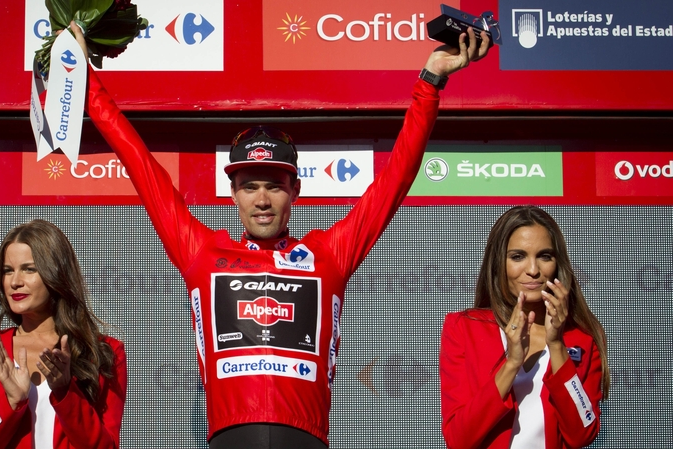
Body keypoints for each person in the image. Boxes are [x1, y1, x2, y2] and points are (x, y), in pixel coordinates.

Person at [74, 22, 490, 448]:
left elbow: (396, 177)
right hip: (229, 437)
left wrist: (431, 81)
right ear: (233, 193)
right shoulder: (202, 251)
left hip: (305, 438)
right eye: (250, 186)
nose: (262, 199)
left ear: (295, 190)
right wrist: (83, 80)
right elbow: (139, 162)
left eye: (274, 185)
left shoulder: (329, 253)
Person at [439, 206, 611, 449]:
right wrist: (511, 364)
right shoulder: (464, 328)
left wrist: (557, 345)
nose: (533, 270)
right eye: (518, 256)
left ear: (557, 263)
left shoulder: (583, 338)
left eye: (545, 256)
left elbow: (582, 434)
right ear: (498, 263)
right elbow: (459, 439)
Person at [0, 219, 127, 449]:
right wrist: (11, 404)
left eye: (29, 269)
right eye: (8, 271)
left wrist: (66, 392)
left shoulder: (105, 353)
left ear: (56, 272)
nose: (15, 282)